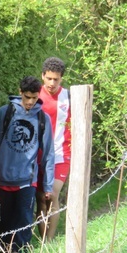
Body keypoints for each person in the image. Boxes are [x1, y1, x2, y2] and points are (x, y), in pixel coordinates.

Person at [0, 76, 54, 253]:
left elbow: (48, 153)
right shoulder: (6, 112)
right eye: (27, 97)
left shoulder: (42, 118)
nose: (30, 102)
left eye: (34, 98)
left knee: (24, 224)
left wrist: (48, 185)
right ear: (20, 93)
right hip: (3, 180)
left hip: (28, 181)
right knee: (4, 224)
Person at [36, 57, 71, 242]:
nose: (52, 83)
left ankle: (50, 241)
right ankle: (43, 243)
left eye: (56, 79)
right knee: (41, 198)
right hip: (38, 156)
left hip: (61, 154)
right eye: (49, 78)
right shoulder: (35, 96)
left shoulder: (69, 97)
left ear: (61, 79)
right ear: (42, 76)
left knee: (52, 195)